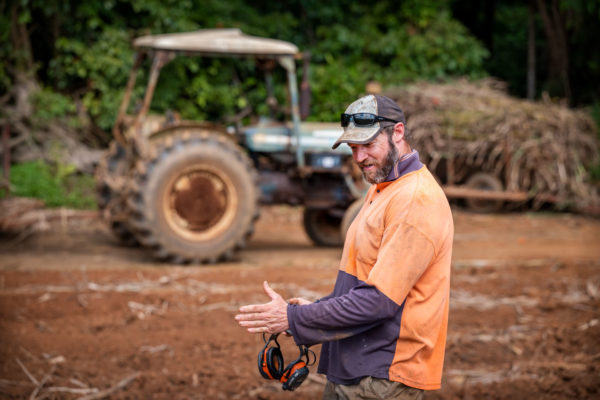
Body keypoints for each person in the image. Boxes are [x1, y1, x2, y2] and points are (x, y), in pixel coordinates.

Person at [235, 94, 454, 400]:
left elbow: (378, 302)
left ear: (398, 133)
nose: (360, 157)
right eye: (353, 148)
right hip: (356, 370)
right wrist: (312, 312)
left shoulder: (414, 200)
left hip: (382, 378)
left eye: (368, 145)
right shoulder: (383, 189)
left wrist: (294, 319)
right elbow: (365, 283)